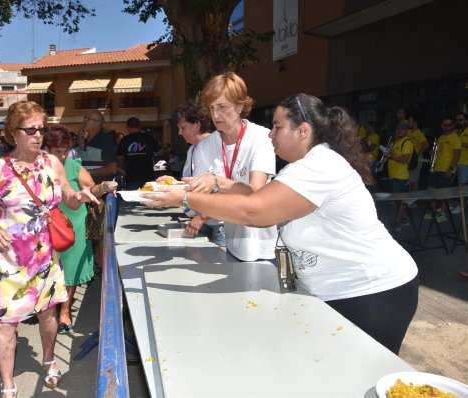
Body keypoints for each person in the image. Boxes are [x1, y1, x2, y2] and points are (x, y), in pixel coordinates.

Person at [143, 93, 419, 355]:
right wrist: (219, 183)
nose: (270, 134)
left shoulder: (320, 165)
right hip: (334, 291)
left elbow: (255, 211)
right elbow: (258, 195)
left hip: (373, 291)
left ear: (303, 131)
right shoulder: (300, 168)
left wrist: (185, 198)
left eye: (277, 126)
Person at [0, 102, 97, 398]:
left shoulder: (51, 162)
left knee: (48, 315)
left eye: (42, 129)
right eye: (31, 130)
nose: (38, 136)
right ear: (14, 133)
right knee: (5, 323)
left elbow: (68, 195)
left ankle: (49, 361)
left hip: (45, 256)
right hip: (8, 261)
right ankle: (8, 385)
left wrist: (82, 195)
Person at [186, 72, 277, 262]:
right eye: (211, 108)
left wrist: (216, 182)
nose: (215, 115)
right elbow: (202, 200)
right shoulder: (204, 146)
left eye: (222, 107)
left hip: (265, 249)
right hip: (233, 246)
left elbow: (256, 192)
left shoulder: (261, 138)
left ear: (240, 106)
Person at [43, 125, 117, 333]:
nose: (63, 155)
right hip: (47, 224)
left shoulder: (74, 166)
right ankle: (48, 308)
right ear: (46, 148)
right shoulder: (37, 166)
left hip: (73, 221)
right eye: (57, 151)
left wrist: (102, 187)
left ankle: (64, 312)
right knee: (48, 268)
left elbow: (91, 187)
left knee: (71, 268)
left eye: (66, 150)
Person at [157, 100, 225, 247]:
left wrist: (200, 218)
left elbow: (222, 188)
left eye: (183, 127)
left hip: (219, 225)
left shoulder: (215, 144)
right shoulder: (192, 149)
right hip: (202, 221)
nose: (180, 132)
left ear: (197, 125)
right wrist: (173, 183)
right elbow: (194, 185)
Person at [79, 110, 117, 274]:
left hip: (100, 192)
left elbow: (113, 167)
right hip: (85, 192)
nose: (84, 120)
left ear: (97, 123)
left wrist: (87, 174)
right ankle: (96, 263)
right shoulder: (85, 140)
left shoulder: (105, 141)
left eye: (88, 118)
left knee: (100, 230)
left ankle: (103, 266)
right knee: (90, 229)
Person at [424, 117, 461, 223]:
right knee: (432, 191)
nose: (447, 126)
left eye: (449, 124)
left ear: (453, 126)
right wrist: (432, 153)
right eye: (445, 125)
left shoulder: (455, 138)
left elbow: (457, 154)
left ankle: (442, 213)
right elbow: (436, 152)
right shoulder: (440, 138)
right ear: (442, 126)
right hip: (436, 169)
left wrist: (450, 168)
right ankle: (433, 211)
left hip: (446, 169)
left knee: (444, 193)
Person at [383, 121, 414, 228]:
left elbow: (405, 159)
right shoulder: (397, 141)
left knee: (399, 200)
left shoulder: (407, 143)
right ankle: (403, 218)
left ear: (406, 131)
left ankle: (397, 222)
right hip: (394, 175)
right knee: (399, 199)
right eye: (398, 129)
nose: (399, 131)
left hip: (400, 176)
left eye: (402, 129)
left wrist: (390, 156)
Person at [117, 117, 161, 190]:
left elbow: (120, 157)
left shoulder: (124, 140)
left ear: (128, 127)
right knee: (149, 199)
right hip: (148, 175)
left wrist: (121, 169)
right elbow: (160, 152)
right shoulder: (148, 138)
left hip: (132, 177)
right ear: (139, 126)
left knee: (133, 200)